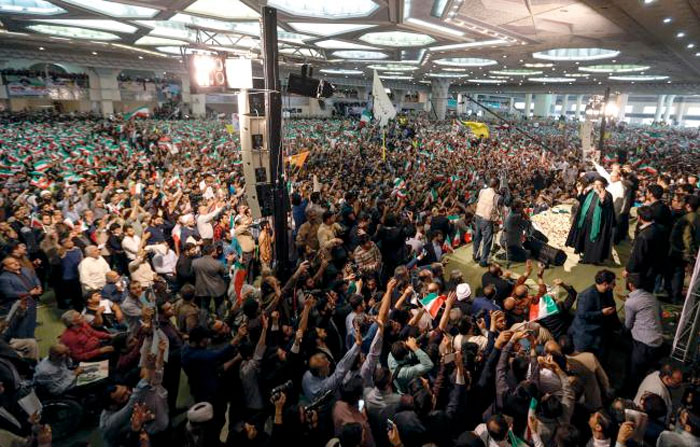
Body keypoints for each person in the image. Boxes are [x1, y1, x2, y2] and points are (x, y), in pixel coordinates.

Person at [624, 273, 664, 394]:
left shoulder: (631, 302)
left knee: (634, 373)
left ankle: (629, 393)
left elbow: (628, 324)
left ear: (630, 285)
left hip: (643, 343)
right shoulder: (652, 298)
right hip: (657, 341)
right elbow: (659, 316)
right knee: (645, 371)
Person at [568, 270, 619, 358]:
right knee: (580, 357)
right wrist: (602, 313)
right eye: (613, 283)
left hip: (600, 331)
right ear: (605, 284)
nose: (614, 286)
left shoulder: (608, 291)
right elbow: (582, 314)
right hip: (585, 333)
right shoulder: (586, 296)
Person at [566, 177, 616, 264]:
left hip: (597, 224)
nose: (596, 186)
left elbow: (607, 209)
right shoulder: (590, 192)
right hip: (585, 221)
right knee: (584, 239)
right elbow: (581, 201)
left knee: (593, 242)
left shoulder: (607, 195)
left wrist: (602, 199)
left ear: (604, 185)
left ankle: (593, 259)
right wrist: (580, 192)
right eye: (594, 184)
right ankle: (583, 254)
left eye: (599, 185)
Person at [625, 206, 665, 292]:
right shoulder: (659, 229)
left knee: (638, 291)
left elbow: (637, 256)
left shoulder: (643, 236)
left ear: (639, 217)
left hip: (642, 271)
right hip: (653, 268)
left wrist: (628, 269)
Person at [0, 256, 41, 338]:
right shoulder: (3, 278)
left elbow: (35, 278)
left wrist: (38, 286)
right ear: (5, 267)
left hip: (32, 301)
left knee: (31, 322)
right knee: (22, 325)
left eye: (15, 261)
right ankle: (25, 341)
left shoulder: (25, 270)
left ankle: (31, 337)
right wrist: (29, 293)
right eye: (11, 263)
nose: (16, 263)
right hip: (19, 305)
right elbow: (9, 293)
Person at [473, 178, 501, 267]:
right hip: (486, 218)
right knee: (487, 240)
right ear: (497, 185)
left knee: (477, 236)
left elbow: (479, 201)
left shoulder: (482, 191)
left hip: (478, 215)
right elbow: (496, 209)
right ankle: (483, 261)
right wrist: (496, 218)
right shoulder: (496, 196)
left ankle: (475, 255)